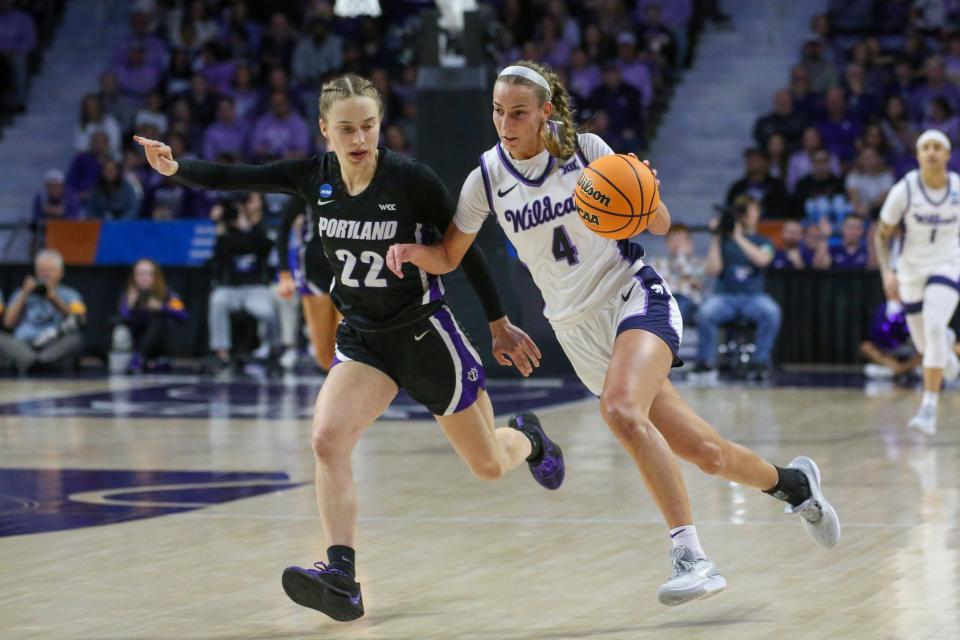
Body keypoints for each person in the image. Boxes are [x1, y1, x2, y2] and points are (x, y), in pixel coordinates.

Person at [387, 60, 839, 607]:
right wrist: (415, 255)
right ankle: (795, 486)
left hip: (632, 294)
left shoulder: (587, 152)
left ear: (545, 111)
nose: (505, 123)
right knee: (706, 453)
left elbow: (663, 223)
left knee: (621, 411)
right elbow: (450, 254)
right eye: (498, 111)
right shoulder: (485, 178)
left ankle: (690, 555)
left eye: (519, 113)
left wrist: (643, 194)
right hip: (576, 331)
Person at [134, 72, 559, 623]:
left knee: (488, 466)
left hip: (425, 335)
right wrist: (177, 168)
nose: (359, 138)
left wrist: (499, 322)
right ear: (324, 131)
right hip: (363, 338)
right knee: (327, 440)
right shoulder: (315, 177)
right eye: (346, 129)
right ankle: (342, 577)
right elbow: (237, 176)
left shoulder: (411, 180)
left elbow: (465, 251)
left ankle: (526, 437)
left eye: (368, 126)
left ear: (381, 126)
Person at [875, 129, 960, 435]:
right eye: (926, 147)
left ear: (947, 154)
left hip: (948, 265)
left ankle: (928, 406)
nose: (932, 152)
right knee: (927, 345)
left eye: (938, 147)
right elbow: (881, 236)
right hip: (911, 270)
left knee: (936, 326)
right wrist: (887, 272)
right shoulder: (905, 190)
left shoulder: (958, 190)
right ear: (918, 154)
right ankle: (947, 354)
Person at [695, 196, 782, 379]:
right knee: (705, 313)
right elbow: (712, 270)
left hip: (753, 297)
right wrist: (717, 237)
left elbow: (763, 259)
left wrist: (739, 238)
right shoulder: (724, 241)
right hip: (725, 297)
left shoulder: (763, 241)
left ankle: (760, 363)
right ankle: (706, 363)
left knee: (771, 312)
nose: (750, 214)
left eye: (752, 210)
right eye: (747, 210)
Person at [206, 197, 279, 369]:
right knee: (217, 301)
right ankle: (221, 353)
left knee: (267, 311)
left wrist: (246, 226)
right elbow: (219, 257)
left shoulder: (259, 231)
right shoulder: (225, 235)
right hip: (230, 288)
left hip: (255, 288)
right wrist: (221, 230)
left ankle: (274, 350)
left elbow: (264, 247)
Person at [275, 194, 339, 371]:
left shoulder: (363, 182)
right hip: (314, 273)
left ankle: (351, 394)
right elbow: (283, 227)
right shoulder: (310, 181)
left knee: (349, 348)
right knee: (324, 353)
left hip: (350, 271)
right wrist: (284, 273)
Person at [0, 250, 86, 374]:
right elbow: (8, 323)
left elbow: (80, 320)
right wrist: (24, 295)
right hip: (23, 345)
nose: (46, 275)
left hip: (53, 345)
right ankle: (34, 362)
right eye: (42, 271)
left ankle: (37, 362)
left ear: (61, 273)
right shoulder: (21, 292)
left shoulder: (71, 294)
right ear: (36, 272)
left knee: (76, 339)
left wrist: (55, 299)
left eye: (51, 270)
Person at [114, 259, 187, 373]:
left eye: (148, 274)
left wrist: (162, 307)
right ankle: (140, 358)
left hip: (160, 342)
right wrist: (130, 307)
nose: (144, 278)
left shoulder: (167, 293)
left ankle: (140, 358)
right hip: (136, 341)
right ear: (134, 276)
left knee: (158, 319)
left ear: (156, 276)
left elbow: (183, 315)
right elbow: (122, 318)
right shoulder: (129, 294)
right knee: (126, 323)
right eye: (140, 274)